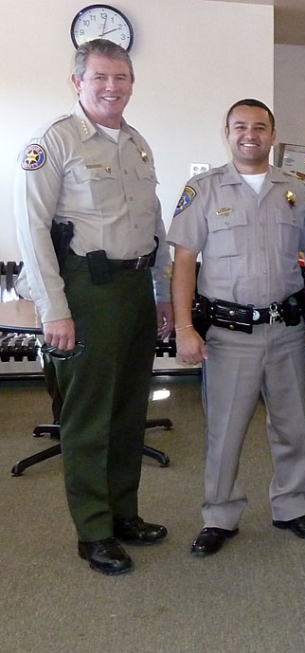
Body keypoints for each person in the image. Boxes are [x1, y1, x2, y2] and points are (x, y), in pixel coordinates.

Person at [13, 39, 172, 575]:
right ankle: (94, 531)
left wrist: (163, 294)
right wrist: (53, 308)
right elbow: (32, 231)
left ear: (131, 82)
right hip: (85, 292)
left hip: (133, 291)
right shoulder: (54, 142)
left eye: (121, 77)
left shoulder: (136, 143)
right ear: (77, 82)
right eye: (100, 77)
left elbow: (153, 226)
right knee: (88, 419)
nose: (112, 87)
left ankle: (125, 515)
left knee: (129, 411)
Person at [167, 99, 305, 557]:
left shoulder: (295, 190)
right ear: (227, 133)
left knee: (293, 424)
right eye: (240, 127)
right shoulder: (204, 191)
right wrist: (184, 329)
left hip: (285, 330)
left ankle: (292, 506)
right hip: (228, 335)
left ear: (273, 135)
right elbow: (183, 264)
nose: (249, 134)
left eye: (260, 127)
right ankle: (219, 514)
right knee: (225, 429)